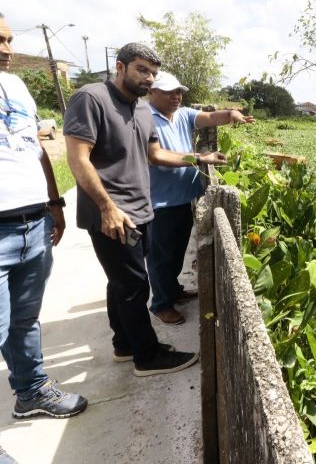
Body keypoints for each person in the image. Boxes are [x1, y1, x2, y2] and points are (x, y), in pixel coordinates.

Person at [63, 43, 226, 377]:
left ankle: (124, 344)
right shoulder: (92, 99)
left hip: (142, 209)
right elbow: (77, 158)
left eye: (152, 72)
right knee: (135, 287)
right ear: (120, 67)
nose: (149, 78)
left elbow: (156, 154)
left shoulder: (139, 110)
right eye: (141, 70)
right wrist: (106, 208)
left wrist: (198, 158)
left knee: (121, 283)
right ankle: (147, 356)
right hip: (113, 214)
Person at [0, 12, 87, 464]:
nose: (7, 50)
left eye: (10, 40)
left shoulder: (16, 87)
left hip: (32, 221)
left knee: (25, 319)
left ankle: (30, 391)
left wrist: (55, 203)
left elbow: (34, 149)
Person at [146, 71, 254, 325]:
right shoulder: (145, 119)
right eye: (169, 92)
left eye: (178, 91)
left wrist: (231, 115)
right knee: (161, 258)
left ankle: (172, 291)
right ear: (151, 93)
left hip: (183, 197)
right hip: (160, 201)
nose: (176, 96)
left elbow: (210, 117)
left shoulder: (183, 114)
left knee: (176, 252)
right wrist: (200, 157)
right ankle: (161, 304)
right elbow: (156, 156)